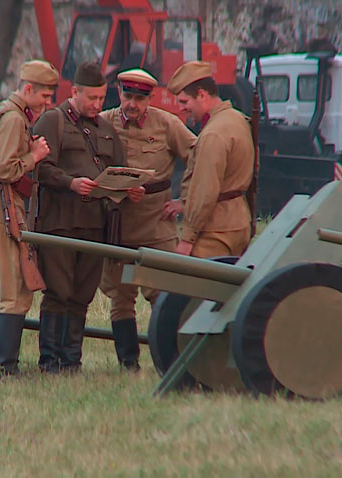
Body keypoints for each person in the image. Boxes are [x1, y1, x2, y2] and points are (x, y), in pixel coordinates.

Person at [32, 60, 145, 373]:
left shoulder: (107, 131)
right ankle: (50, 361)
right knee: (57, 292)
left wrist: (129, 190)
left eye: (101, 98)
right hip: (59, 223)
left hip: (95, 225)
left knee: (82, 294)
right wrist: (70, 183)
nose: (98, 105)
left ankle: (71, 361)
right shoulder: (51, 122)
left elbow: (119, 171)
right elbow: (38, 168)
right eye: (92, 98)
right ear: (74, 92)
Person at [97, 68, 197, 370]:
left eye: (140, 99)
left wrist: (185, 200)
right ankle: (128, 363)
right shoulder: (103, 122)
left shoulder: (168, 124)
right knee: (120, 295)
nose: (132, 104)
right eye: (127, 96)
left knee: (163, 294)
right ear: (118, 92)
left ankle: (167, 360)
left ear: (150, 98)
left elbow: (200, 157)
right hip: (117, 224)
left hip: (157, 221)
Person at [0, 60, 57, 376]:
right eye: (44, 96)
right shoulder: (15, 119)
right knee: (16, 293)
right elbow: (2, 169)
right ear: (28, 89)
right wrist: (34, 156)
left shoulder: (5, 113)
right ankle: (4, 368)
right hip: (1, 217)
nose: (48, 103)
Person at [165, 61, 255, 258]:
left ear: (202, 95)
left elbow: (206, 189)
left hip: (216, 230)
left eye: (184, 102)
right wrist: (184, 202)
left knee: (194, 286)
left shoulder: (213, 134)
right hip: (238, 222)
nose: (181, 109)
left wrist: (187, 237)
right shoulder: (237, 119)